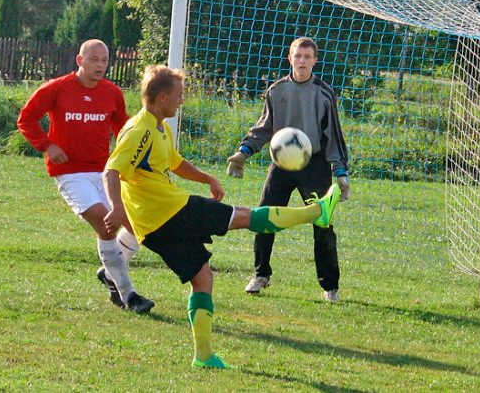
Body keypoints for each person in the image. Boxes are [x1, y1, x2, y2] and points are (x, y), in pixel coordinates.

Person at [103, 64, 341, 369]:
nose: (182, 100)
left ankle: (203, 356)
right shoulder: (139, 130)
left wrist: (206, 179)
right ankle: (315, 212)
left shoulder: (158, 127)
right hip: (170, 210)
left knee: (202, 278)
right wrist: (116, 207)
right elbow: (112, 170)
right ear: (162, 96)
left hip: (153, 226)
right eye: (178, 95)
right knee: (243, 216)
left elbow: (174, 163)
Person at [16, 39, 154, 314]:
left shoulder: (112, 93)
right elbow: (26, 118)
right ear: (79, 61)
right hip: (71, 173)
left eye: (104, 60)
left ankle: (109, 272)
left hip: (104, 172)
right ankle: (129, 295)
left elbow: (122, 132)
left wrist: (136, 162)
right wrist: (47, 145)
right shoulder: (56, 88)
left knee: (137, 223)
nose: (100, 65)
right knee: (106, 225)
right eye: (94, 59)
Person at [226, 37, 350, 303]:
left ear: (315, 61)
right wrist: (243, 152)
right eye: (298, 56)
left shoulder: (324, 93)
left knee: (323, 222)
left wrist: (340, 172)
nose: (302, 61)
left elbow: (333, 137)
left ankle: (330, 286)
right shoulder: (276, 90)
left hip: (314, 164)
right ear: (290, 58)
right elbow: (264, 128)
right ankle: (261, 274)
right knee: (263, 216)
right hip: (282, 163)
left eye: (307, 56)